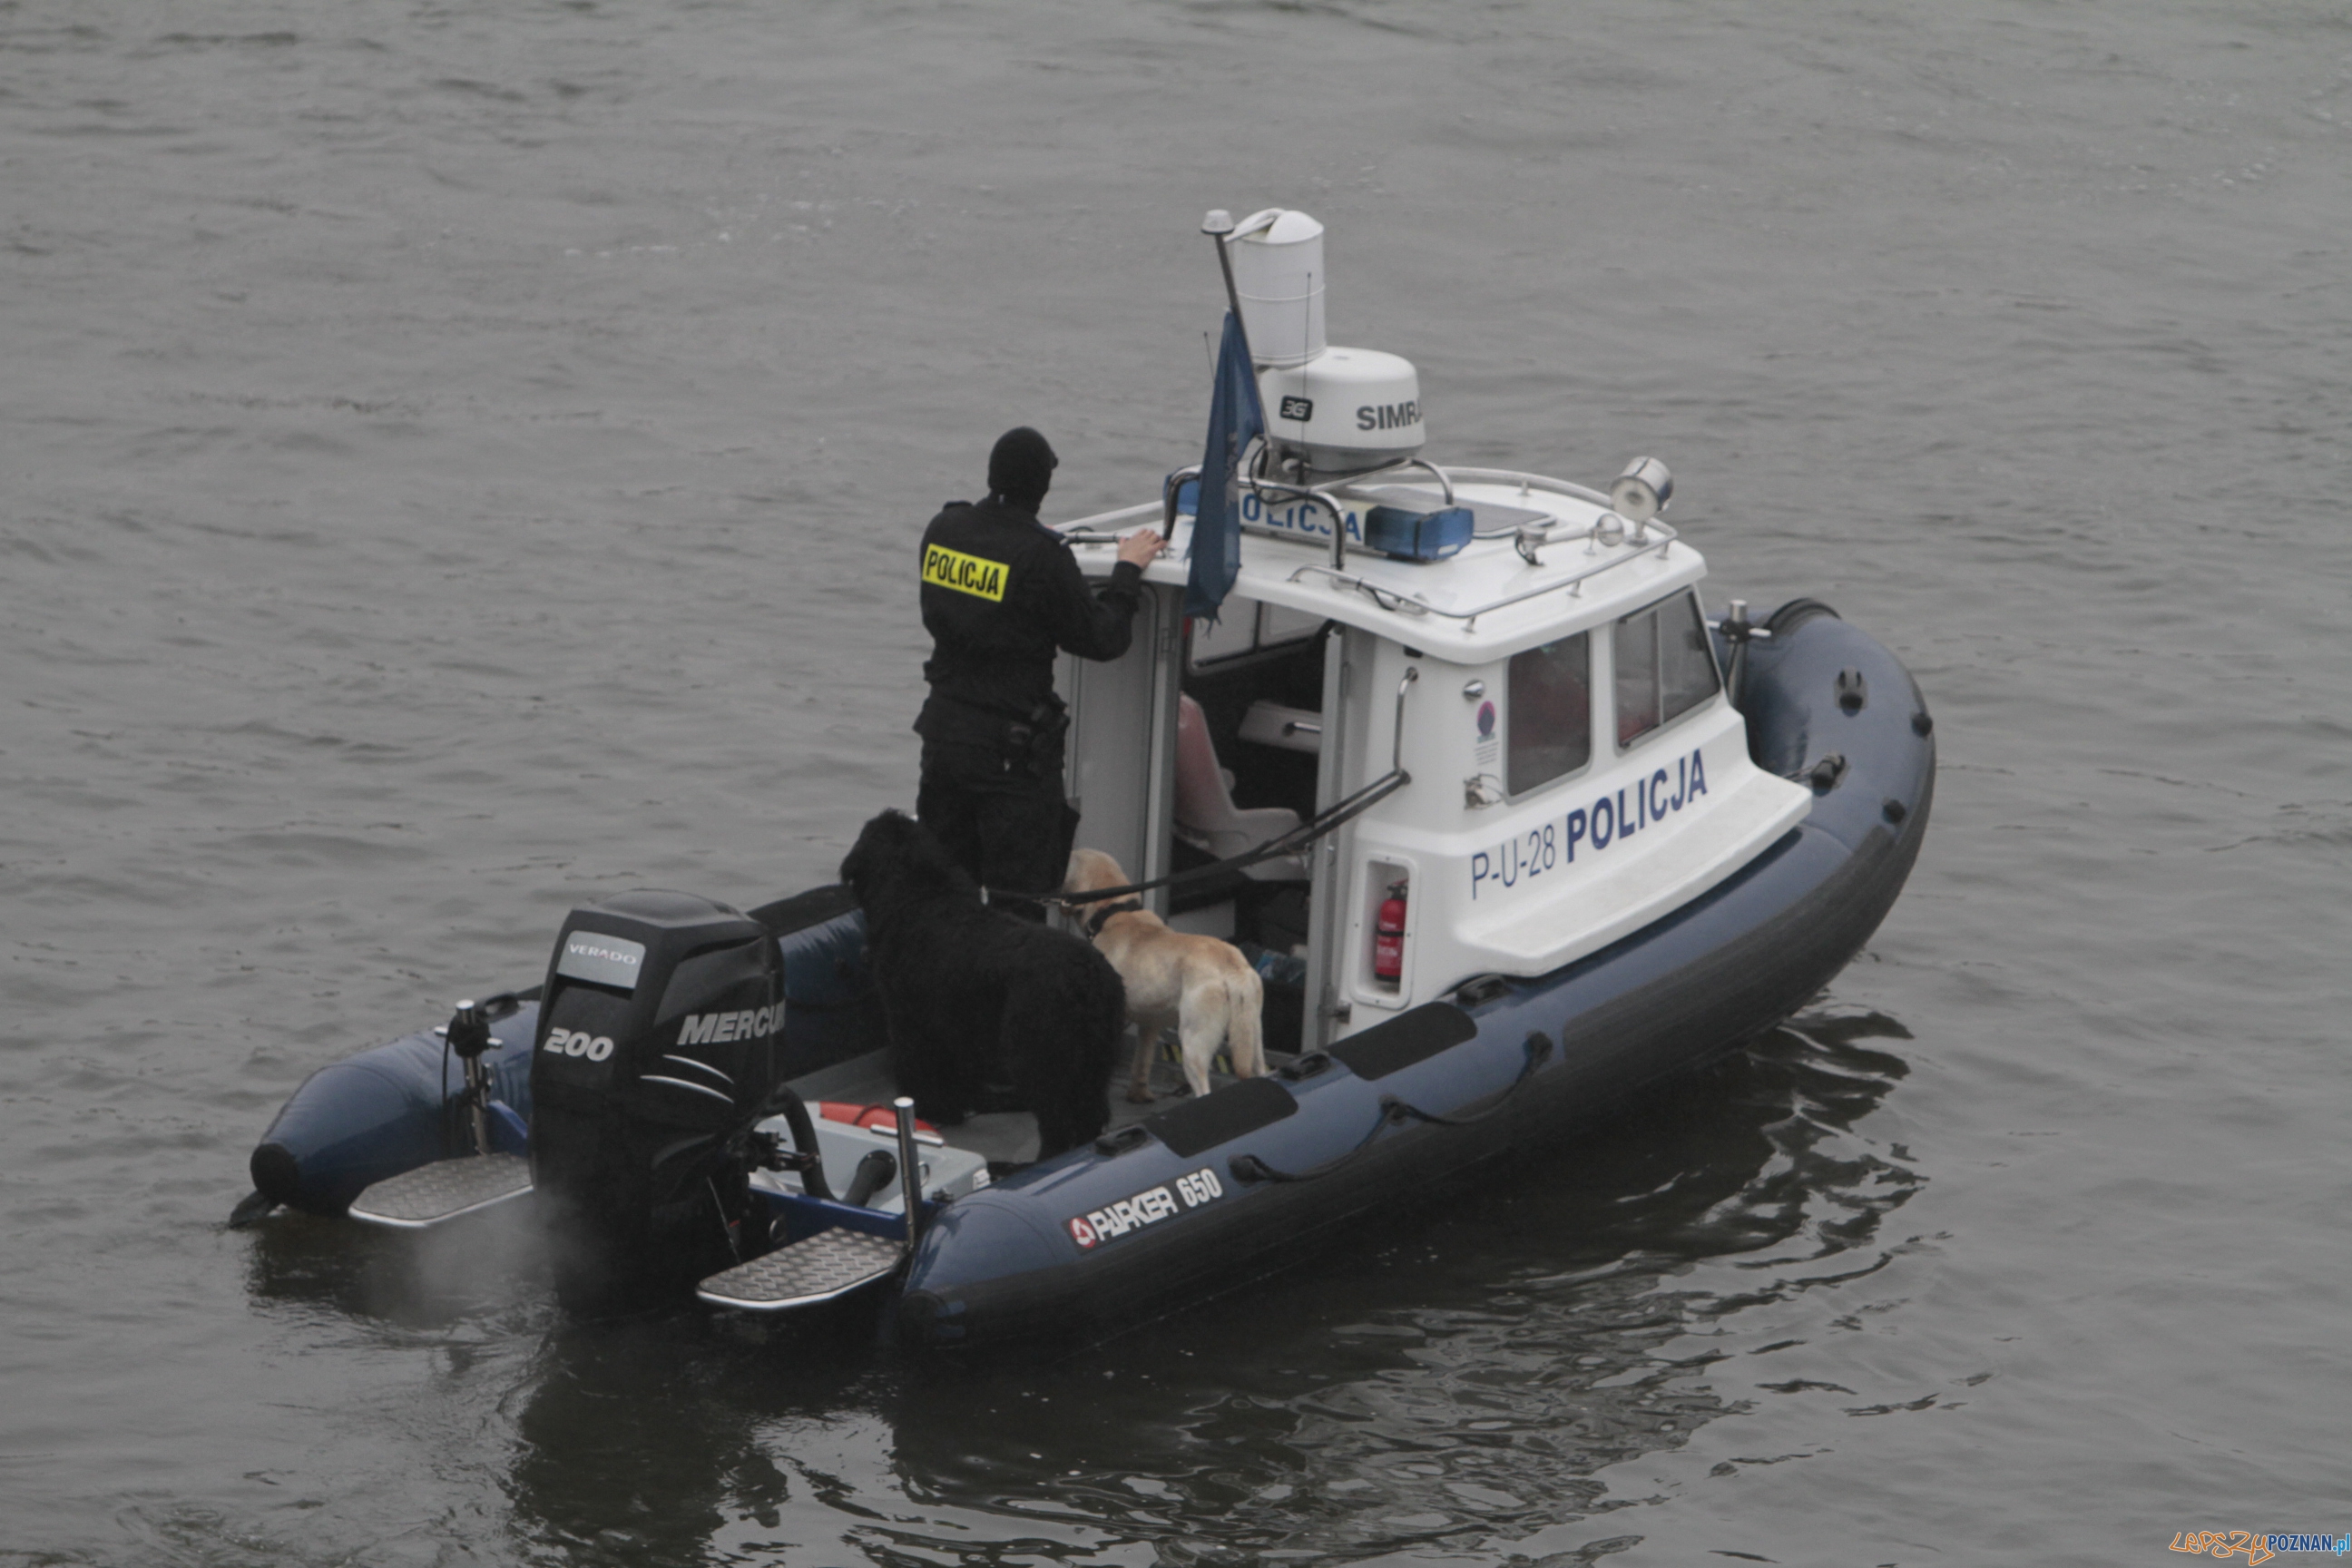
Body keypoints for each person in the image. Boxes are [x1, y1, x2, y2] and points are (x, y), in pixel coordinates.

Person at [913, 426, 1165, 916]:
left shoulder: (943, 529)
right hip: (1009, 759)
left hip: (943, 739)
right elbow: (1103, 638)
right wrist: (1127, 570)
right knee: (1018, 904)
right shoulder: (1042, 557)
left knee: (943, 895)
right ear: (1042, 487)